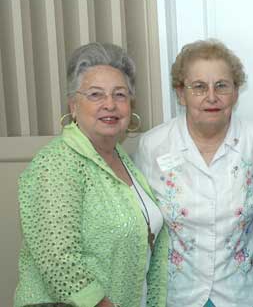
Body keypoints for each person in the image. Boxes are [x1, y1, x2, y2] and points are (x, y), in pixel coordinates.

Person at [15, 43, 168, 307]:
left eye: (120, 95)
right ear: (73, 105)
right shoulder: (56, 163)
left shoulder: (124, 161)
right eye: (96, 95)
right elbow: (59, 262)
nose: (110, 104)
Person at [135, 39, 253, 307]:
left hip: (244, 294)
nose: (211, 97)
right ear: (181, 93)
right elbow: (143, 225)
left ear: (236, 92)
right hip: (176, 295)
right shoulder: (153, 145)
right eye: (199, 87)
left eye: (222, 86)